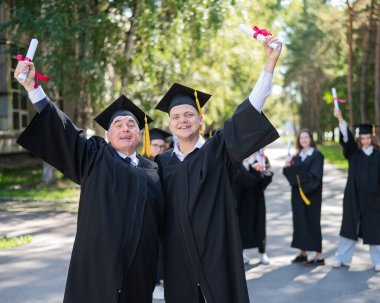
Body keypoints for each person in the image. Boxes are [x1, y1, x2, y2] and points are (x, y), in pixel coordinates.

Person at [14, 61, 164, 303]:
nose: (125, 129)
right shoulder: (93, 157)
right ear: (108, 135)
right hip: (96, 267)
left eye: (131, 125)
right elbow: (62, 129)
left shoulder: (155, 171)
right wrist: (33, 88)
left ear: (140, 134)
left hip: (139, 271)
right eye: (118, 125)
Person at [155, 36, 282, 303]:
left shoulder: (217, 150)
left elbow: (248, 111)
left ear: (200, 119)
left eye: (189, 114)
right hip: (178, 262)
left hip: (217, 256)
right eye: (176, 117)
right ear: (169, 124)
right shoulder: (161, 164)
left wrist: (269, 65)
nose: (182, 121)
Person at [332, 108, 380, 272]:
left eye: (368, 137)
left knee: (375, 228)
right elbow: (347, 139)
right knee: (349, 226)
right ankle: (342, 258)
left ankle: (378, 260)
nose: (365, 141)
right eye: (363, 137)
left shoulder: (378, 156)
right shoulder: (354, 153)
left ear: (372, 138)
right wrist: (340, 119)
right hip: (353, 196)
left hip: (374, 198)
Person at [283, 129, 325, 265]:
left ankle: (319, 255)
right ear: (299, 141)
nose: (304, 140)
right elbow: (291, 175)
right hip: (297, 196)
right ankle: (302, 253)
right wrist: (287, 166)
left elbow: (316, 176)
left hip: (312, 195)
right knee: (300, 222)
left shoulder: (317, 155)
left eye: (306, 137)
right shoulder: (296, 157)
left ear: (310, 138)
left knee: (312, 222)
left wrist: (299, 176)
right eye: (301, 138)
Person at [233, 149, 272, 266]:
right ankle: (241, 252)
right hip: (241, 198)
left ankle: (262, 252)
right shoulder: (239, 158)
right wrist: (246, 165)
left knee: (259, 224)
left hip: (257, 198)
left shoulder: (262, 158)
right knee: (241, 225)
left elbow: (266, 180)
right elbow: (235, 178)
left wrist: (264, 172)